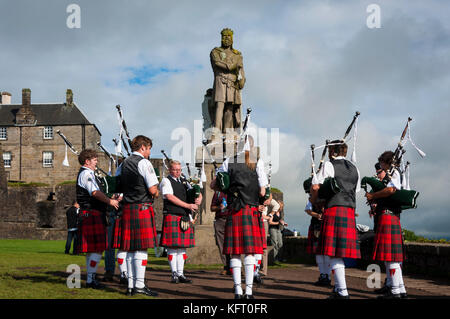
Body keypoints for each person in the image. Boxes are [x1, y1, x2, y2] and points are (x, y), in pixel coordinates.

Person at [212, 136, 268, 299]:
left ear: (238, 146)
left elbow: (214, 185)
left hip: (234, 210)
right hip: (250, 210)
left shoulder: (228, 161)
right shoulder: (257, 162)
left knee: (235, 253)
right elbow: (263, 192)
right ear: (252, 146)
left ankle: (237, 291)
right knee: (250, 253)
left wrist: (228, 185)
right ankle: (249, 293)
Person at [310, 140, 361, 299]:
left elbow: (316, 186)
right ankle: (339, 289)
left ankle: (342, 292)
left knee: (334, 254)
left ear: (332, 151)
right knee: (338, 253)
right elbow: (355, 190)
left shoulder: (329, 165)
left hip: (334, 209)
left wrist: (314, 200)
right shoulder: (355, 168)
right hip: (349, 210)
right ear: (344, 151)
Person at [113, 135, 159, 297]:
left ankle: (131, 286)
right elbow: (153, 190)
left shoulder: (123, 164)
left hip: (127, 209)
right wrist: (157, 193)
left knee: (130, 249)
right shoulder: (144, 163)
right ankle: (139, 284)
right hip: (142, 208)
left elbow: (116, 186)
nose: (149, 152)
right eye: (148, 149)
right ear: (143, 147)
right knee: (141, 249)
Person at [75, 149, 120, 289]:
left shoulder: (88, 173)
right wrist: (109, 202)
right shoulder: (86, 174)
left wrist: (110, 198)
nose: (96, 162)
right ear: (87, 161)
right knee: (97, 249)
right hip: (92, 213)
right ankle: (91, 279)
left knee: (93, 250)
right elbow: (94, 192)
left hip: (91, 213)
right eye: (94, 160)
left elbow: (97, 192)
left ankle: (90, 279)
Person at [365, 151, 408, 299]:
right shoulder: (394, 173)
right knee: (391, 257)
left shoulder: (394, 172)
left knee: (391, 258)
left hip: (388, 216)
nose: (381, 167)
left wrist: (373, 195)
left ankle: (395, 291)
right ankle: (400, 289)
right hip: (391, 216)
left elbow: (391, 190)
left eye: (382, 164)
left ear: (386, 162)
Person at [160, 160, 202, 284]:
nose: (178, 172)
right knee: (173, 247)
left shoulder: (184, 181)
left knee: (182, 247)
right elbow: (169, 196)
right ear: (170, 170)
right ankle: (174, 274)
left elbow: (196, 191)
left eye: (179, 170)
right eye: (175, 170)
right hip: (172, 215)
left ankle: (181, 273)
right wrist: (188, 205)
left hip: (183, 216)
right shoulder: (166, 181)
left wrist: (199, 198)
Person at [210, 28, 246, 135]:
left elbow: (241, 69)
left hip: (232, 83)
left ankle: (227, 132)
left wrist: (242, 80)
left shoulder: (237, 54)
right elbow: (218, 63)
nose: (226, 39)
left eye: (228, 37)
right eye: (224, 37)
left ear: (232, 39)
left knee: (229, 108)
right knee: (219, 105)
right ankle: (216, 131)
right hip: (220, 81)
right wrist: (233, 65)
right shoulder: (215, 52)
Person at [304, 196, 331, 286]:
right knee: (318, 252)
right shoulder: (312, 198)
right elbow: (308, 210)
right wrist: (317, 215)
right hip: (316, 226)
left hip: (328, 225)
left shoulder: (330, 196)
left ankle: (328, 276)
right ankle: (322, 275)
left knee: (326, 252)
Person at [210, 189, 231, 275]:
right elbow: (212, 208)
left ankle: (236, 267)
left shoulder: (233, 191)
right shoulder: (218, 193)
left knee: (233, 243)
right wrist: (219, 207)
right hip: (220, 220)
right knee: (221, 245)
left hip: (231, 219)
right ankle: (226, 267)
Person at [268, 199, 287, 263]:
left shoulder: (280, 213)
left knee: (280, 243)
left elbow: (280, 221)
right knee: (274, 243)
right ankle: (274, 259)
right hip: (272, 229)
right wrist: (278, 223)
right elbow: (270, 222)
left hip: (278, 229)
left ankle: (280, 258)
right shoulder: (272, 213)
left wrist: (283, 223)